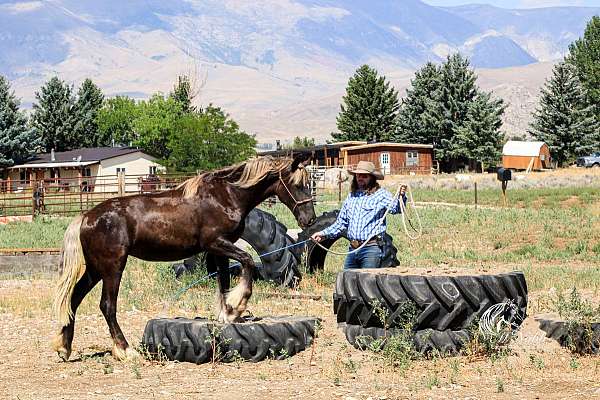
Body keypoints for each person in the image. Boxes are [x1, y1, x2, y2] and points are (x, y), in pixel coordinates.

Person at [311, 160, 406, 269]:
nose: (360, 178)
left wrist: (401, 196)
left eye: (364, 176)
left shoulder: (381, 195)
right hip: (353, 249)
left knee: (367, 282)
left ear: (372, 178)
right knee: (348, 281)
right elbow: (341, 223)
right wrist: (323, 234)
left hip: (371, 249)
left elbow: (396, 208)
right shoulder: (351, 197)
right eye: (358, 175)